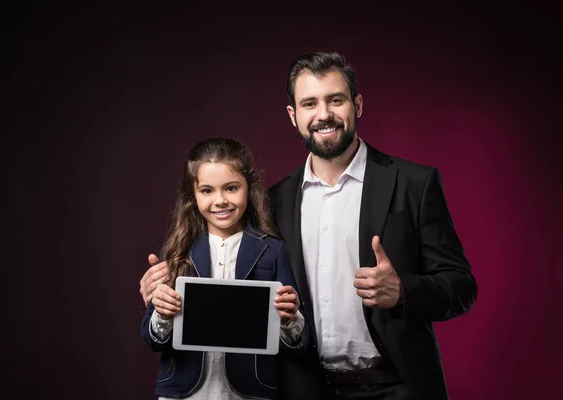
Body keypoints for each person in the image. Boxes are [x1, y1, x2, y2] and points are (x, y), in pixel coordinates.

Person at [141, 52, 478, 400]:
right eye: (309, 103)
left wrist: (403, 292)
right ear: (293, 115)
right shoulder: (271, 202)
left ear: (357, 105)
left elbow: (461, 287)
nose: (323, 115)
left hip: (398, 386)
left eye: (335, 100)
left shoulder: (413, 183)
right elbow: (229, 278)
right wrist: (162, 290)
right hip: (303, 388)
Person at [141, 137, 308, 400]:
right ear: (193, 196)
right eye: (207, 191)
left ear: (248, 189)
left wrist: (290, 319)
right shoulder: (178, 249)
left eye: (231, 188)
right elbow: (153, 340)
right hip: (183, 394)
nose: (220, 200)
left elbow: (300, 342)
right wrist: (161, 313)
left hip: (249, 392)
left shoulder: (274, 249)